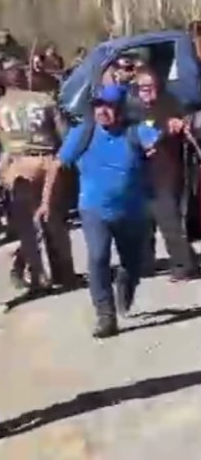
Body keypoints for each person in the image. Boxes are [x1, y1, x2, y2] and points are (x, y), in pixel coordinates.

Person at [38, 85, 161, 338]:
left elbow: (157, 144)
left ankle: (126, 285)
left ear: (121, 109)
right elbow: (57, 165)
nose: (102, 111)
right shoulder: (83, 133)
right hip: (93, 208)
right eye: (98, 106)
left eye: (109, 106)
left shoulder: (135, 131)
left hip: (132, 211)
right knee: (97, 257)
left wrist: (160, 143)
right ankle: (105, 316)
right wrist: (46, 202)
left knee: (132, 263)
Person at [0, 66, 78, 298]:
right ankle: (64, 272)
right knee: (54, 220)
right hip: (46, 161)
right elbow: (64, 134)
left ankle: (38, 277)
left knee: (27, 226)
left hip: (17, 165)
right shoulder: (45, 101)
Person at [130, 70, 199, 281]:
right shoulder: (132, 111)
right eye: (142, 87)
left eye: (150, 86)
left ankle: (184, 266)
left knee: (168, 221)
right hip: (140, 173)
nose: (147, 91)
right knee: (142, 221)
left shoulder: (168, 104)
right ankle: (145, 263)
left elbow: (183, 122)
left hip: (165, 171)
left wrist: (177, 124)